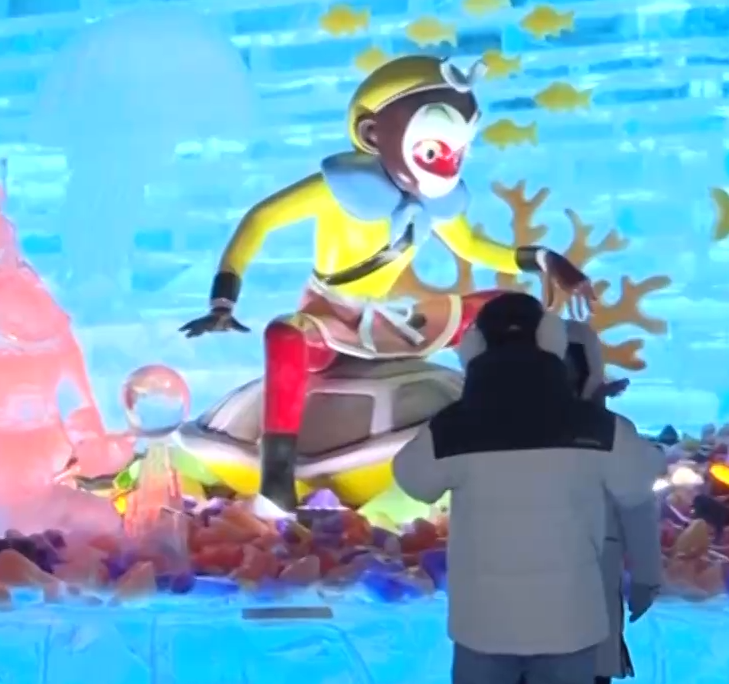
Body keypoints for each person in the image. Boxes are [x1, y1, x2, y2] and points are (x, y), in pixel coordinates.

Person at [178, 54, 596, 512]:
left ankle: (549, 415)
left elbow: (472, 246)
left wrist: (544, 259)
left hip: (388, 319)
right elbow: (260, 220)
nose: (446, 162)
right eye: (434, 150)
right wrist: (224, 300)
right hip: (329, 316)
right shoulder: (336, 189)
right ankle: (277, 474)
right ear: (373, 134)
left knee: (508, 308)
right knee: (284, 335)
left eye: (456, 151)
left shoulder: (434, 202)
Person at [392, 293, 663, 684]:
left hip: (482, 625)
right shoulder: (600, 429)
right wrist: (646, 575)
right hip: (570, 625)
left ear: (473, 349)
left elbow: (413, 480)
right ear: (553, 343)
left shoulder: (451, 429)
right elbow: (639, 490)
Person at [564, 321, 660, 684]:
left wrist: (646, 576)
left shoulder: (508, 429)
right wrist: (646, 577)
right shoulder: (612, 429)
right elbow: (638, 507)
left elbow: (637, 507)